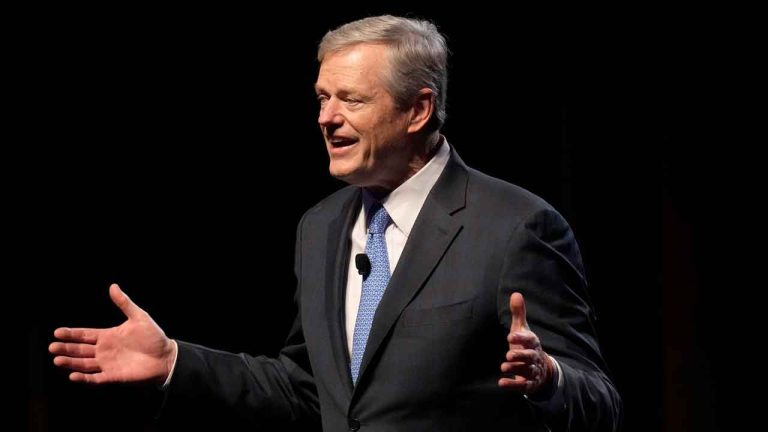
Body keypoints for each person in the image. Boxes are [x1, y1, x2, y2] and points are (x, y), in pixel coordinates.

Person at [50, 15, 622, 431]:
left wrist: (549, 378)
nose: (326, 118)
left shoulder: (515, 226)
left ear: (418, 109)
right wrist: (176, 361)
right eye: (322, 98)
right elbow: (309, 389)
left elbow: (601, 402)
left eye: (351, 100)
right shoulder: (321, 227)